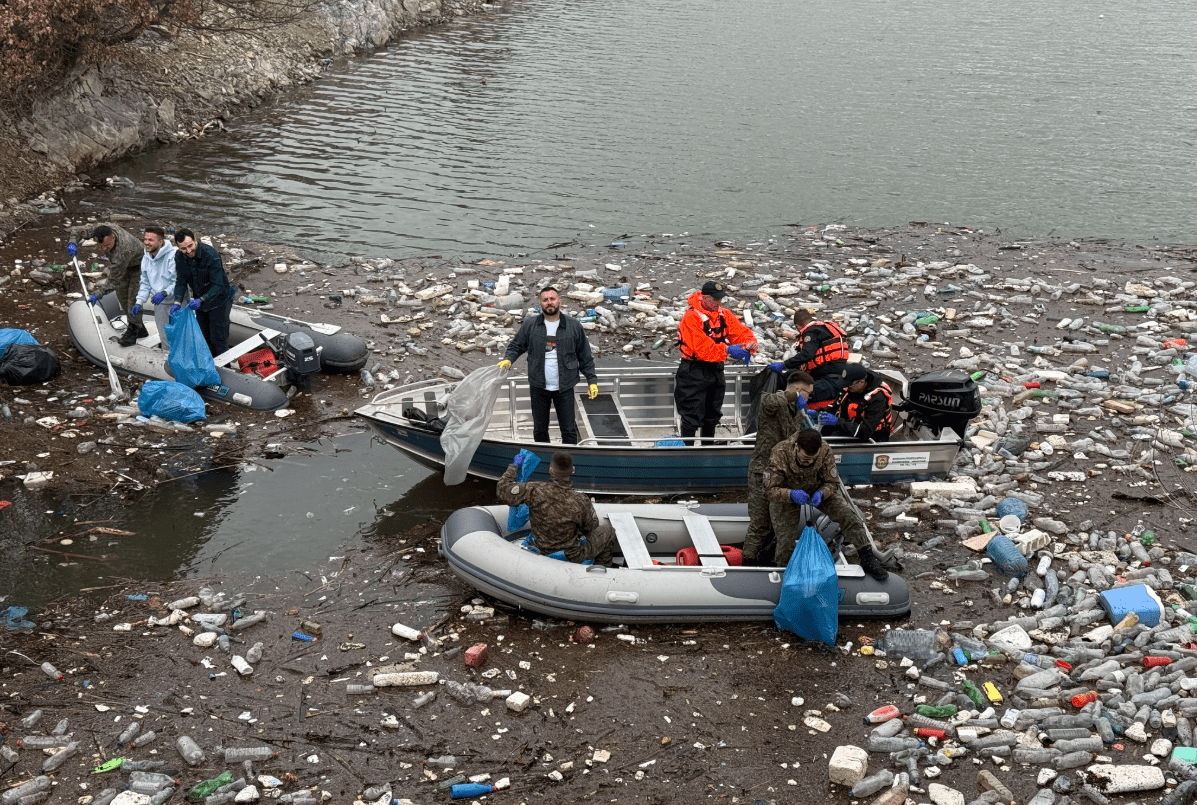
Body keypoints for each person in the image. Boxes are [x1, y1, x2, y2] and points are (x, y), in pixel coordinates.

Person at [765, 428, 889, 580]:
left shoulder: (825, 450)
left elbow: (832, 483)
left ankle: (868, 558)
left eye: (812, 459)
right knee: (785, 540)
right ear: (797, 447)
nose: (808, 462)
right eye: (804, 458)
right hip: (788, 494)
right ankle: (783, 571)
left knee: (848, 515)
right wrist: (790, 494)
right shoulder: (780, 452)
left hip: (817, 490)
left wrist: (822, 493)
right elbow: (770, 490)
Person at [498, 286, 598, 445]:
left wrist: (592, 381)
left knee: (568, 430)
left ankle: (567, 463)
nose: (549, 302)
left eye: (552, 299)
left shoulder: (574, 326)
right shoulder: (530, 324)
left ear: (559, 301)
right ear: (540, 303)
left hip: (565, 387)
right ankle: (544, 459)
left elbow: (585, 356)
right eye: (545, 300)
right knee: (539, 429)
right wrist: (509, 359)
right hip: (539, 387)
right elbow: (516, 346)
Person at [742, 370, 815, 566]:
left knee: (780, 528)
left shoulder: (797, 413)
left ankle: (773, 562)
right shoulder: (772, 401)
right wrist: (796, 396)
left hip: (783, 476)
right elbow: (770, 402)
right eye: (808, 393)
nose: (809, 397)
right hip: (762, 472)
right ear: (799, 390)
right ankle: (747, 563)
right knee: (760, 524)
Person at [674, 280, 758, 445]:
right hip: (693, 370)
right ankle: (686, 452)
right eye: (715, 300)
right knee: (691, 415)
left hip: (715, 369)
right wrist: (727, 350)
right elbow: (703, 348)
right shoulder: (691, 317)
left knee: (712, 414)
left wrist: (750, 343)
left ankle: (707, 448)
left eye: (720, 300)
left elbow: (740, 332)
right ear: (704, 298)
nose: (718, 303)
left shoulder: (723, 314)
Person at [496, 451, 616, 565]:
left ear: (551, 470)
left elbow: (502, 490)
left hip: (541, 546)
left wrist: (515, 465)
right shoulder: (581, 501)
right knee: (609, 531)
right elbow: (591, 528)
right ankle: (603, 570)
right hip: (572, 554)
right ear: (572, 470)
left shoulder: (534, 490)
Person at [68, 222, 146, 347]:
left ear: (113, 238)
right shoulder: (98, 229)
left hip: (140, 265)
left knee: (133, 299)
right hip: (125, 266)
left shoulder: (123, 250)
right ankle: (140, 329)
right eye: (101, 245)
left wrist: (97, 294)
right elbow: (77, 230)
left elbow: (113, 280)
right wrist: (72, 242)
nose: (104, 249)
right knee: (122, 296)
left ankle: (133, 331)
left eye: (107, 245)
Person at [170, 228, 235, 356]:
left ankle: (224, 368)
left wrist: (202, 299)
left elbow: (218, 285)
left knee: (218, 339)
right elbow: (181, 281)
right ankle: (209, 367)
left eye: (190, 246)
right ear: (178, 247)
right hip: (200, 302)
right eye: (184, 248)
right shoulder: (179, 257)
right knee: (204, 338)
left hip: (219, 301)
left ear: (195, 240)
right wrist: (177, 301)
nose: (188, 251)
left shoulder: (210, 255)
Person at [768, 308, 850, 405]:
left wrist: (784, 364)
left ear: (798, 326)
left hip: (828, 377)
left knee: (798, 392)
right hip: (834, 372)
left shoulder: (810, 331)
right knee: (791, 374)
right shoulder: (824, 328)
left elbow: (807, 354)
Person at [131, 226, 177, 351]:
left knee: (179, 335)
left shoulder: (172, 257)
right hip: (160, 303)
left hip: (176, 301)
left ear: (160, 241)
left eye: (150, 240)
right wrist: (139, 302)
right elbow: (145, 282)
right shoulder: (146, 257)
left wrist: (164, 292)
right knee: (165, 336)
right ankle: (168, 362)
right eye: (145, 239)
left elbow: (177, 282)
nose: (146, 242)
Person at [820, 363, 894, 442]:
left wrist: (837, 421)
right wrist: (819, 412)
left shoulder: (877, 399)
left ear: (861, 382)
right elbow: (836, 405)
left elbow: (866, 431)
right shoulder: (851, 388)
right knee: (825, 429)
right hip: (849, 425)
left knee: (832, 440)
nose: (847, 387)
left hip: (872, 436)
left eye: (849, 385)